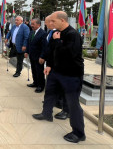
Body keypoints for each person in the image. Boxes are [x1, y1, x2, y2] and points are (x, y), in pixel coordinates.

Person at [32, 11, 85, 143]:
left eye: (53, 21)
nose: (50, 23)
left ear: (62, 20)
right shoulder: (56, 33)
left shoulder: (73, 34)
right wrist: (49, 64)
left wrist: (57, 41)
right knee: (49, 93)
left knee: (73, 103)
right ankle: (46, 113)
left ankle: (79, 133)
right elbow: (52, 51)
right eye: (49, 21)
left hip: (71, 73)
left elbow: (69, 53)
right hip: (56, 71)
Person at [25, 18, 47, 93]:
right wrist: (26, 51)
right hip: (32, 55)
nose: (31, 25)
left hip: (39, 57)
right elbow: (29, 43)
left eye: (33, 24)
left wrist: (42, 56)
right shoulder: (31, 32)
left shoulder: (43, 33)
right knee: (33, 70)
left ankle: (41, 86)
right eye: (31, 24)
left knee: (39, 71)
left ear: (38, 24)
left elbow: (44, 46)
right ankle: (35, 83)